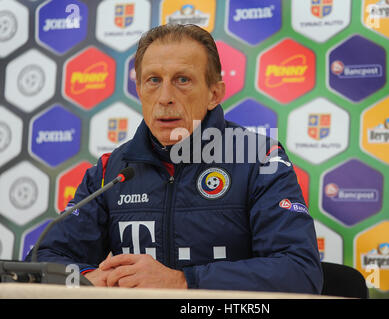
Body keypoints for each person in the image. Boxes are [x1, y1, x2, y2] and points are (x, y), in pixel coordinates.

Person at [27, 24, 323, 293]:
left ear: (214, 93)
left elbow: (300, 271)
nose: (165, 96)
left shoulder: (260, 160)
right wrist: (87, 276)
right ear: (139, 91)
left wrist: (183, 281)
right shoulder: (110, 171)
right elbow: (42, 259)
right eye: (153, 80)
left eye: (183, 80)